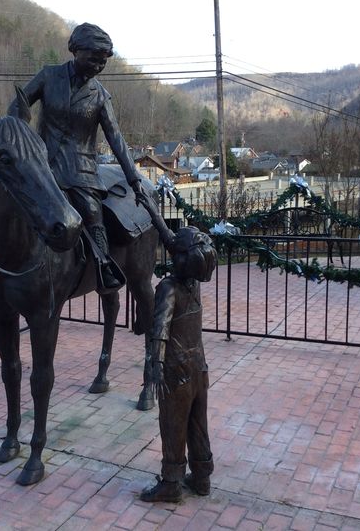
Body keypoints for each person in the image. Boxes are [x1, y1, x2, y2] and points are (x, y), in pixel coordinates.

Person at [8, 22, 144, 291]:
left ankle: (104, 265)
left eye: (102, 62)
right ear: (75, 50)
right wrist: (18, 139)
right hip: (43, 166)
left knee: (93, 214)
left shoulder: (101, 95)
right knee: (9, 203)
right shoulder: (48, 76)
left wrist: (134, 178)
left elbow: (116, 139)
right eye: (93, 59)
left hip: (81, 172)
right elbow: (18, 107)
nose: (97, 66)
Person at [135, 193, 218, 503]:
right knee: (198, 424)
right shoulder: (193, 282)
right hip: (200, 369)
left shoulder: (168, 288)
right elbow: (172, 239)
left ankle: (171, 482)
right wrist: (151, 208)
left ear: (180, 259)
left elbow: (160, 331)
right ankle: (201, 477)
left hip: (176, 372)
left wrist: (153, 367)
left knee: (173, 425)